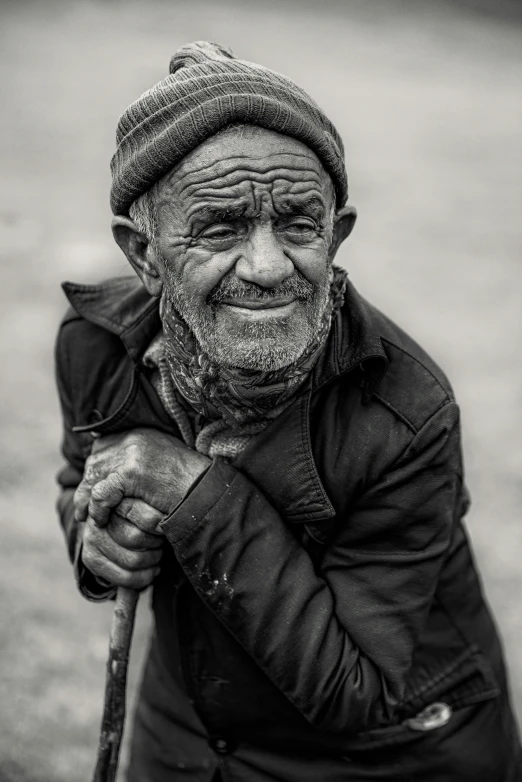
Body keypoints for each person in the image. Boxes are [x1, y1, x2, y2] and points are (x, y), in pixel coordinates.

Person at [55, 41, 521, 781]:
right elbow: (84, 481)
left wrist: (192, 492)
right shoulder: (100, 345)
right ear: (143, 254)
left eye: (300, 224)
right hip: (187, 733)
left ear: (336, 234)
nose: (269, 267)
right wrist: (95, 539)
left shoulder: (405, 414)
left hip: (387, 754)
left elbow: (356, 690)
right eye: (219, 228)